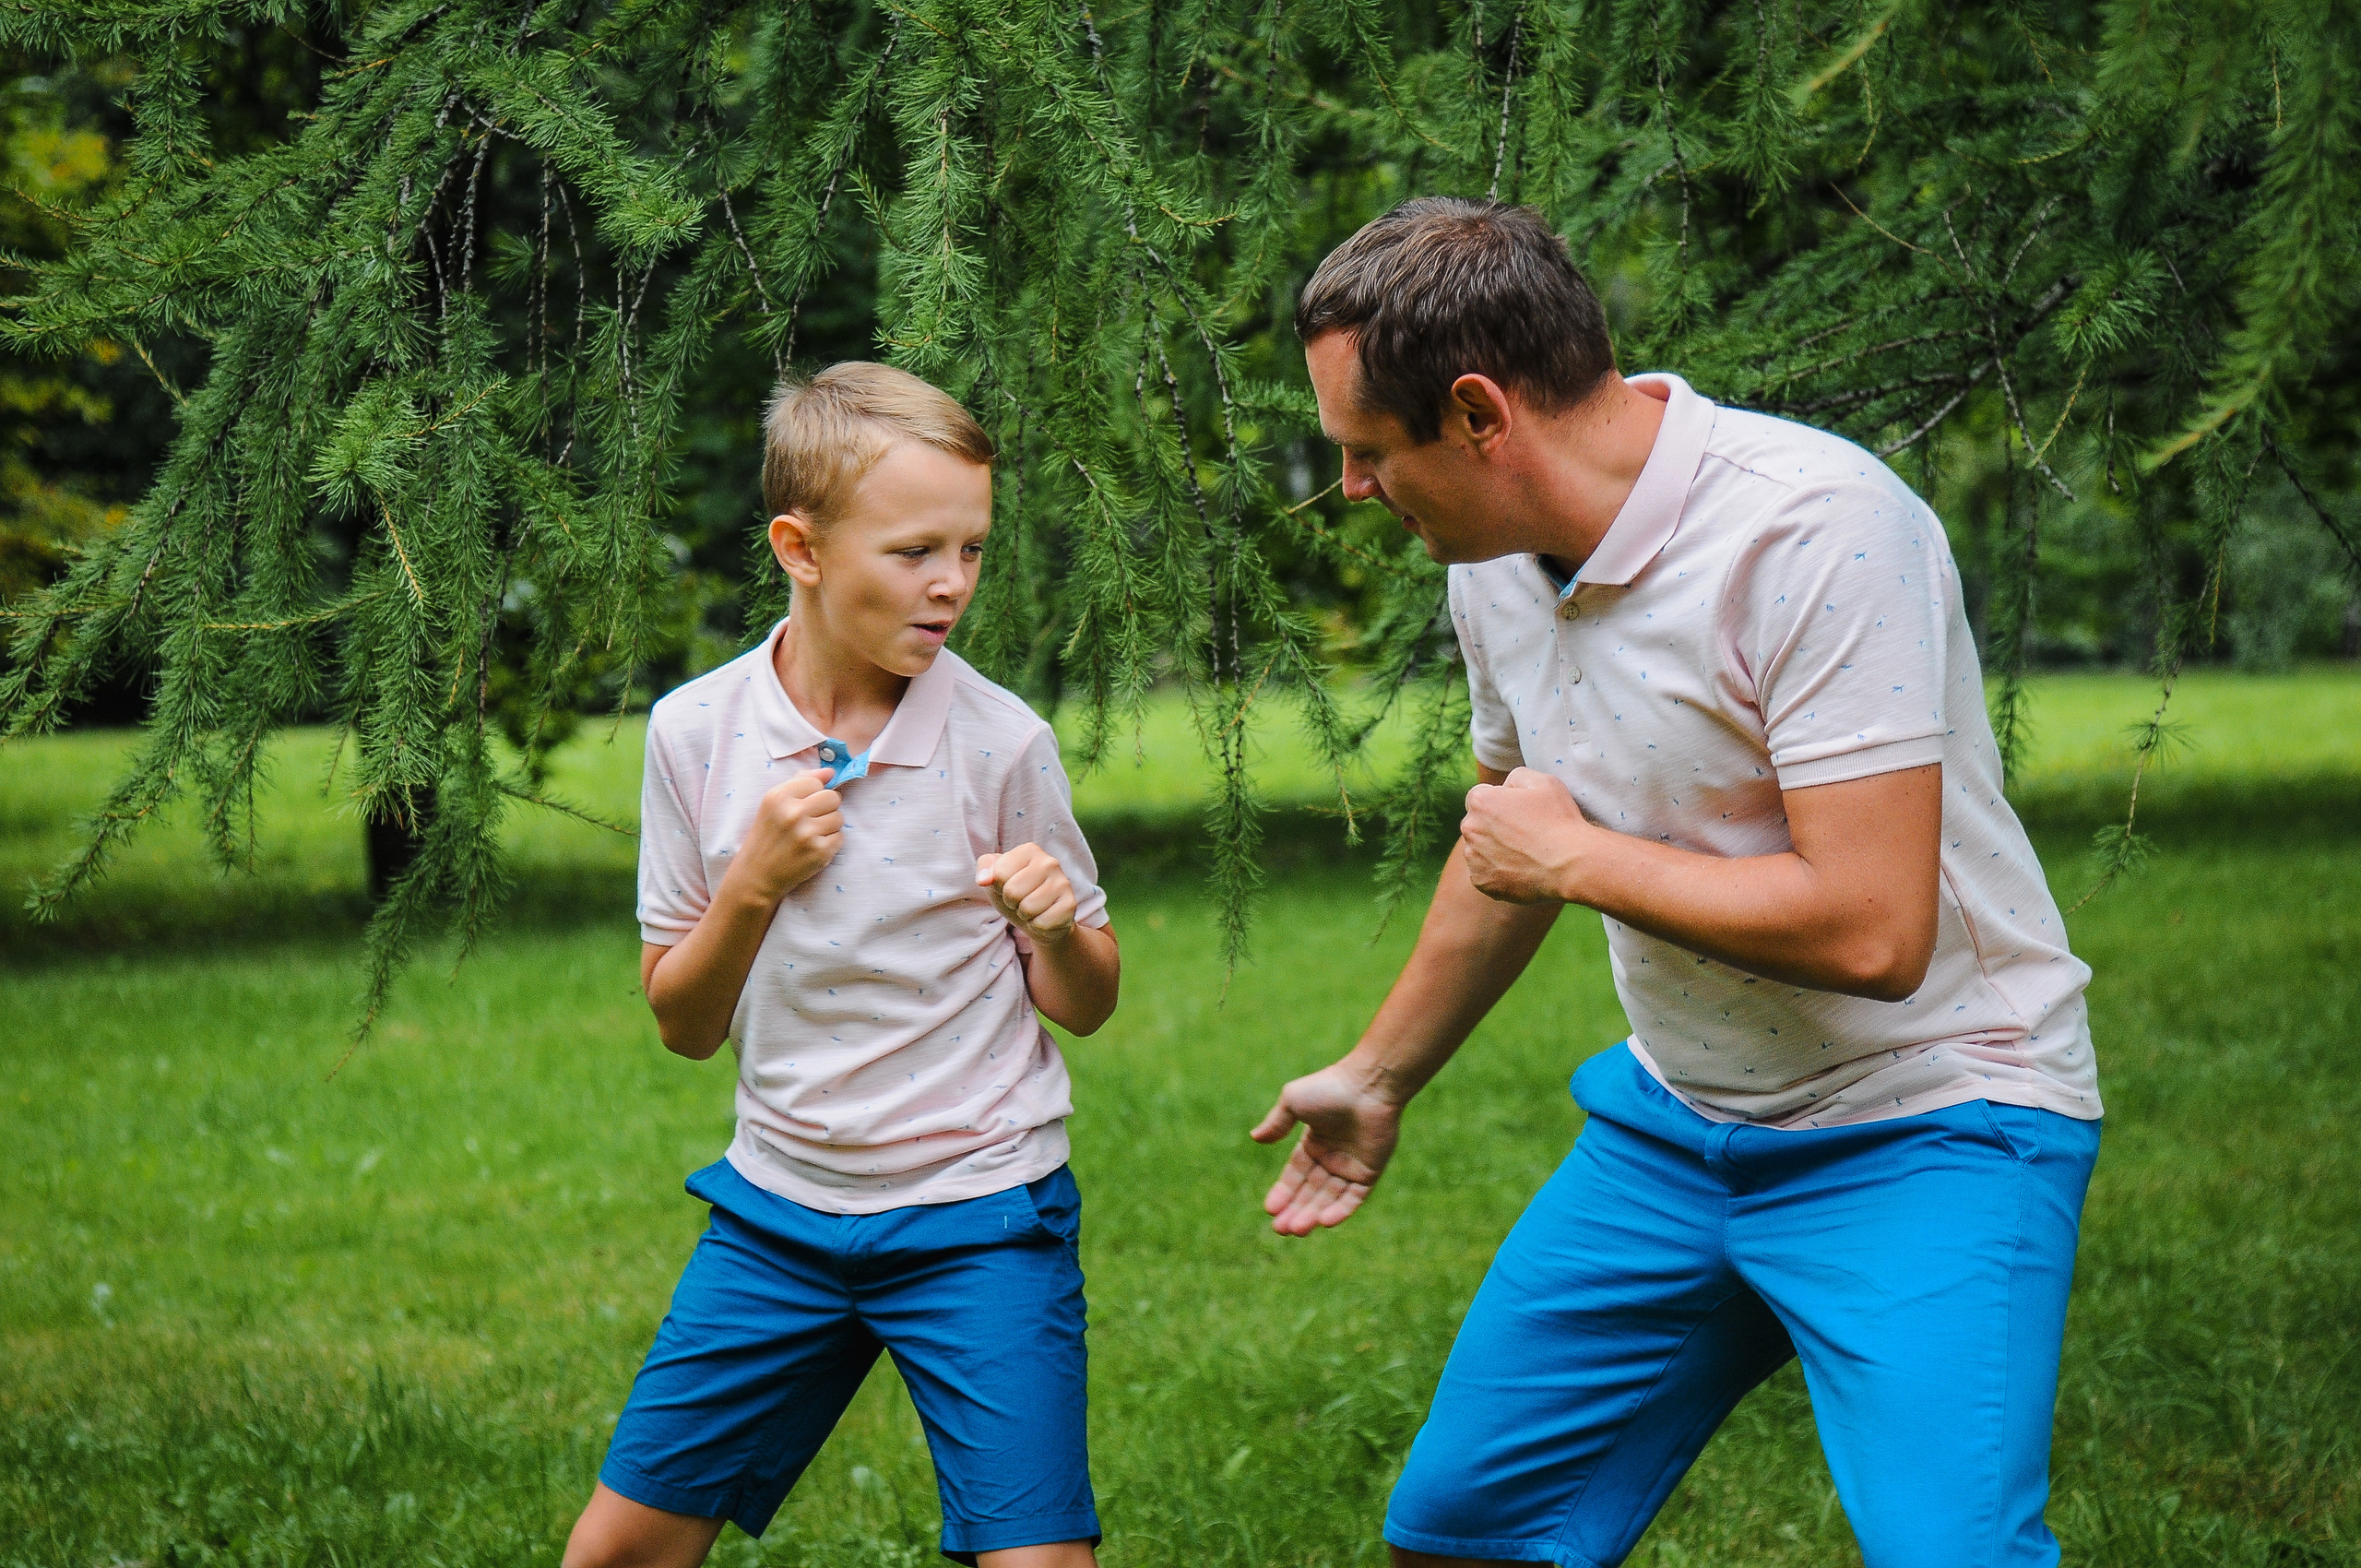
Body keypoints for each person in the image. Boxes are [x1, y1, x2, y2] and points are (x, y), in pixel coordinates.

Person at [1252, 198, 2102, 1568]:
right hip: (1677, 1127)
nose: (1352, 489)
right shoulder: (1492, 566)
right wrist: (1379, 1073)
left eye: (1367, 453)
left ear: (1479, 415)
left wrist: (1578, 860)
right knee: (1463, 1534)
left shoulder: (1816, 530)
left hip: (1938, 1118)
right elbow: (1510, 847)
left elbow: (1876, 929)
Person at [564, 362, 1121, 1568]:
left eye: (972, 549)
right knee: (613, 1555)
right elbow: (681, 1021)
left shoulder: (1001, 743)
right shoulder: (696, 737)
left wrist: (1061, 928)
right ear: (800, 550)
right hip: (780, 1214)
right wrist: (754, 883)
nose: (952, 585)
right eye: (916, 550)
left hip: (983, 1211)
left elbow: (1087, 1002)